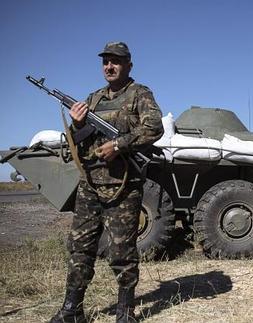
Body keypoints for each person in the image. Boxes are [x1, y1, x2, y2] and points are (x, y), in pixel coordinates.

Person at [50, 42, 164, 323]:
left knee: (121, 251)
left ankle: (125, 312)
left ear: (128, 65)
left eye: (116, 61)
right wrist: (77, 125)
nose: (109, 67)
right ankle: (72, 310)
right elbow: (83, 140)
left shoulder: (140, 94)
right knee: (80, 246)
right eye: (106, 62)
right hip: (91, 183)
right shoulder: (94, 99)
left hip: (123, 186)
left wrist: (120, 144)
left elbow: (154, 127)